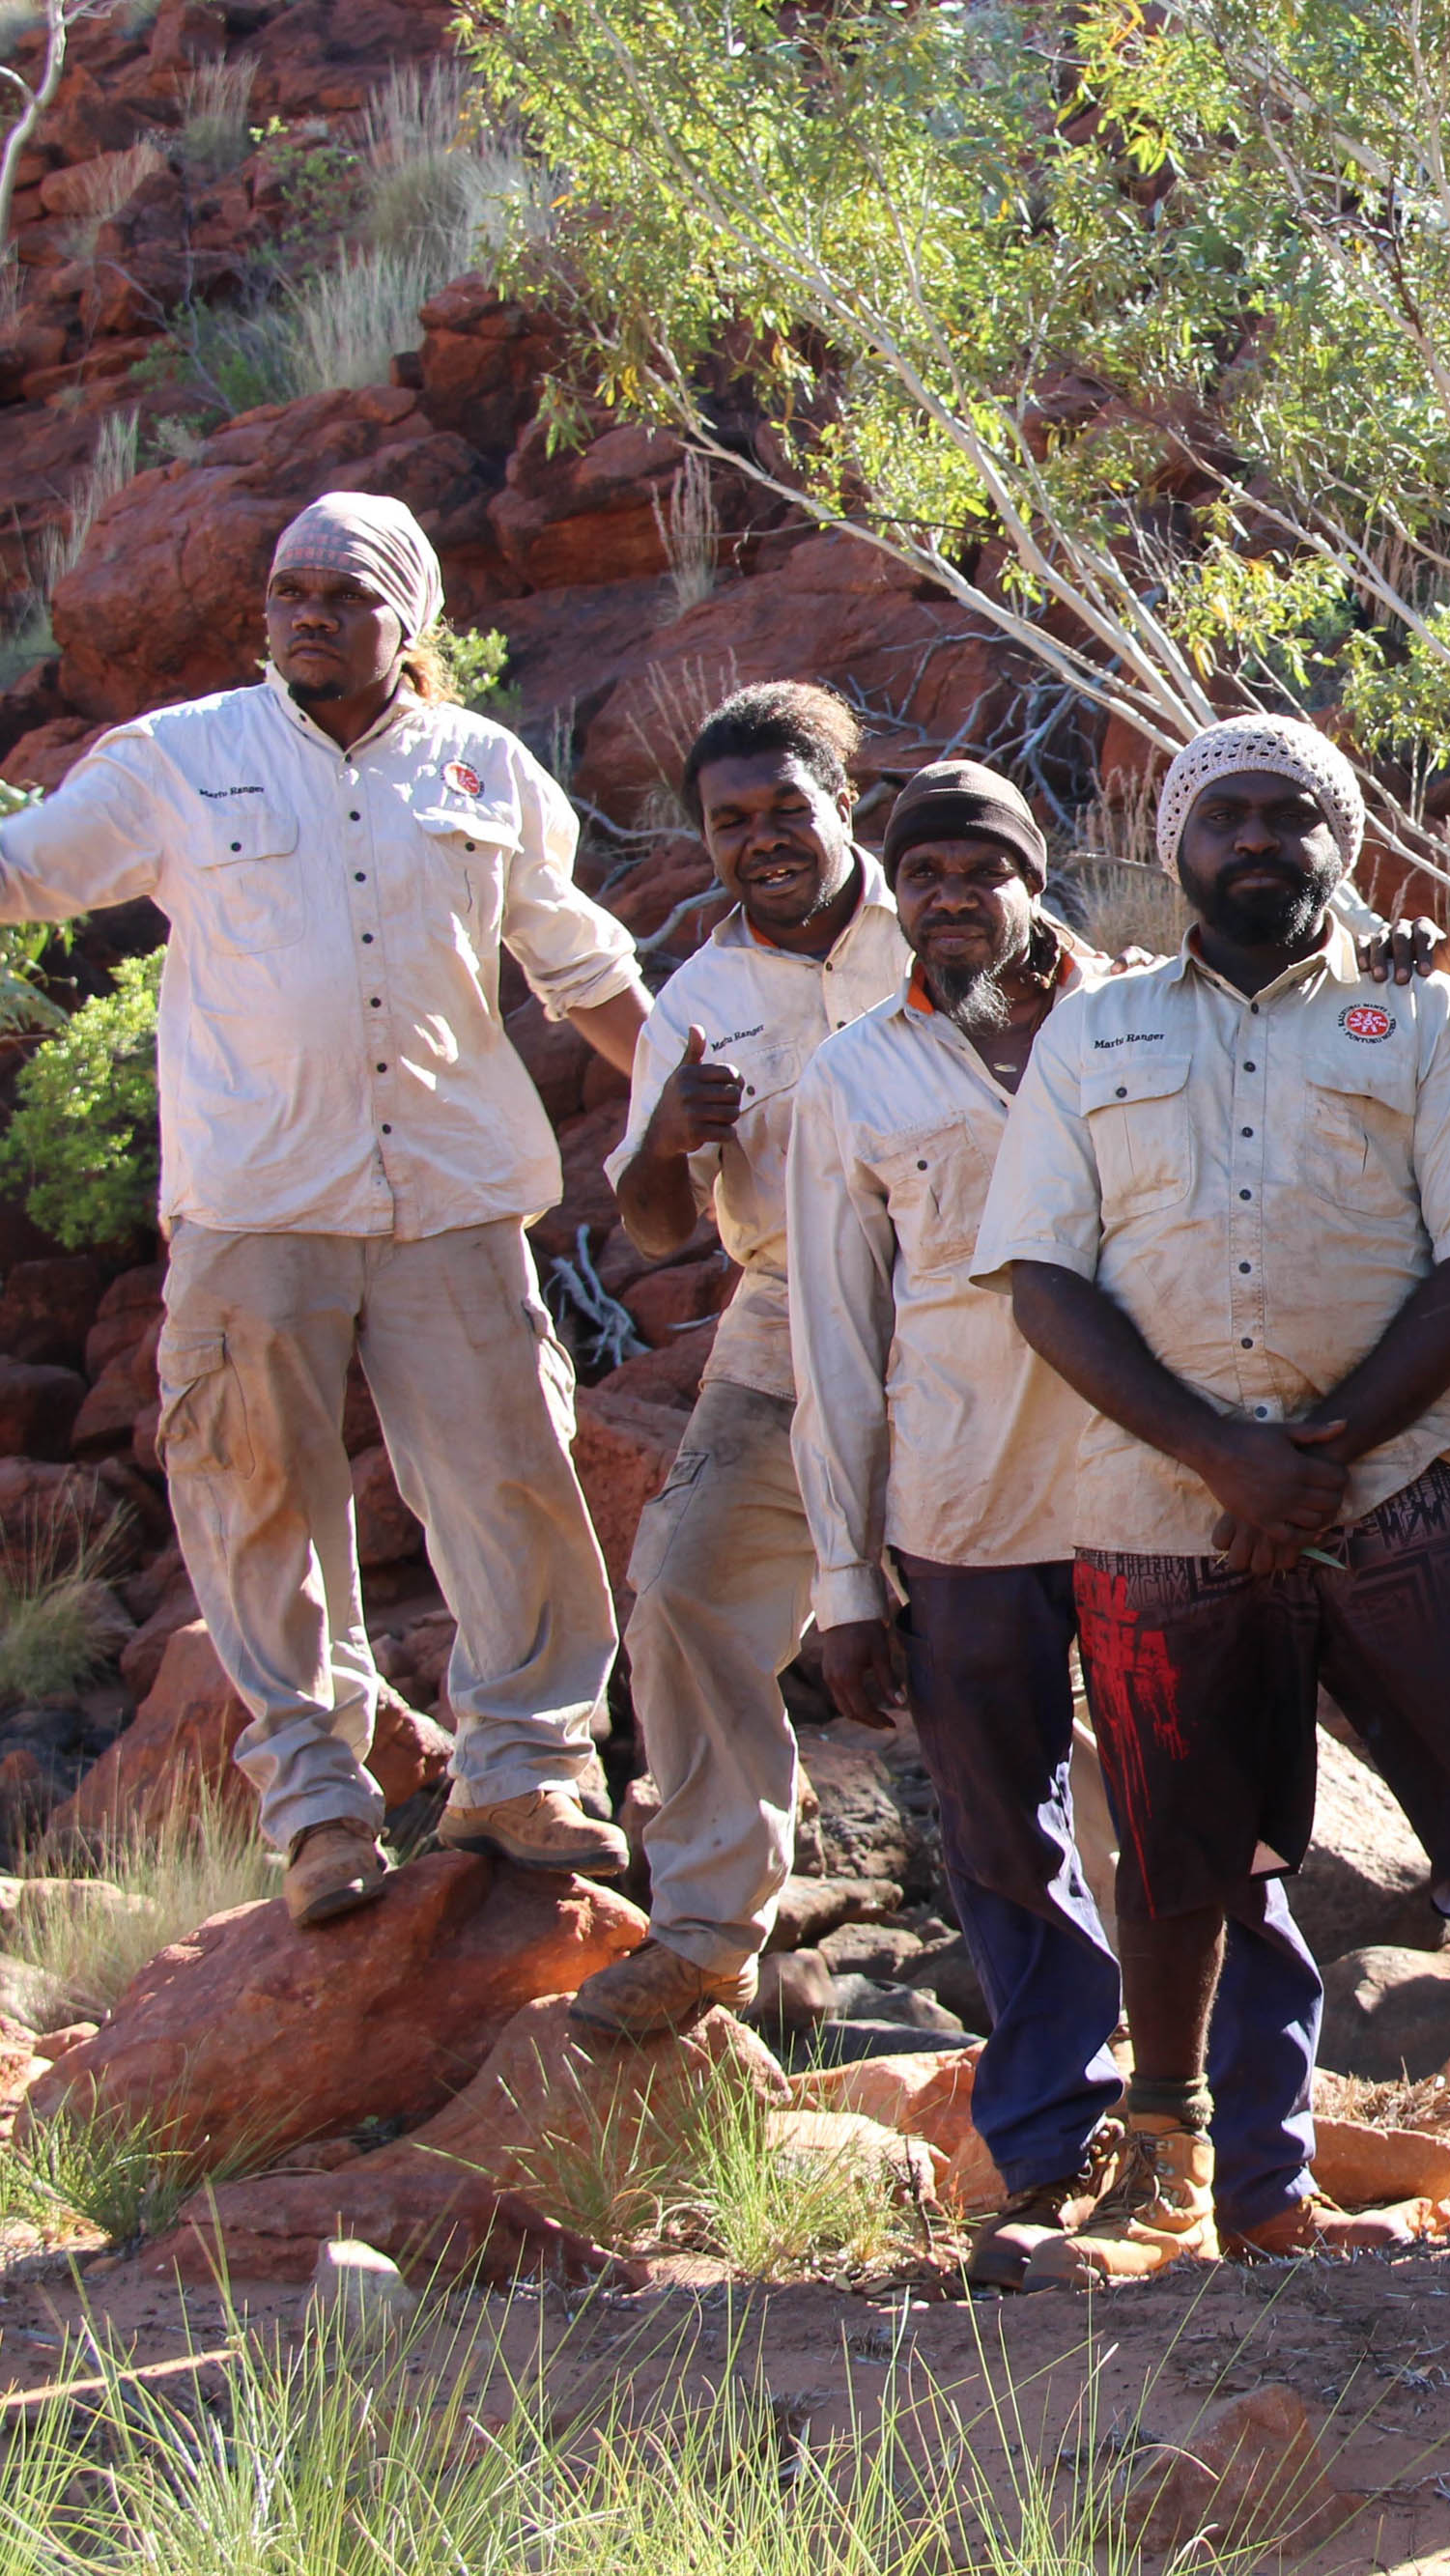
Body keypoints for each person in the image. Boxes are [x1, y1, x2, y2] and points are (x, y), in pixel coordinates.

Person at [972, 710, 1450, 2276]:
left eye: (1293, 813)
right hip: (1157, 1506)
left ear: (1342, 838)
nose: (1259, 838)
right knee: (1177, 1843)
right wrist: (1224, 1454)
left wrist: (1308, 1455)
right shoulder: (1092, 1035)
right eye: (1227, 814)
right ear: (1177, 845)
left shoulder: (1431, 1025)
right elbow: (1045, 1280)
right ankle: (1163, 2178)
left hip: (1399, 1491)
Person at [0, 494, 648, 1927]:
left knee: (512, 1481)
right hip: (257, 1204)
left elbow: (579, 963)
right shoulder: (181, 760)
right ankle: (322, 1807)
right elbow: (3, 870)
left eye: (345, 592)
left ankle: (527, 1768)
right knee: (261, 1500)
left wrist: (712, 1108)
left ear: (413, 618)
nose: (307, 611)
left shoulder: (487, 770)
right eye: (288, 588)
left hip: (448, 1197)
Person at [786, 757, 1328, 2250]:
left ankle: (1261, 2164)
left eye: (983, 870)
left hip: (1165, 1487)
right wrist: (846, 1580)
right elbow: (837, 1338)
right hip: (964, 1509)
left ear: (1039, 881)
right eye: (922, 877)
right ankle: (1049, 2151)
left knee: (1223, 1827)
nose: (952, 899)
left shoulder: (1149, 1015)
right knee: (1003, 1838)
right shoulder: (852, 1077)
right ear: (893, 900)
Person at [571, 687, 911, 2036]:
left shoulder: (952, 902)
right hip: (778, 1315)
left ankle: (1135, 1951)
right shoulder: (699, 1000)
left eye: (787, 806)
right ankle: (708, 1927)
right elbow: (653, 1235)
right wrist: (662, 1142)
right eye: (729, 823)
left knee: (1026, 1627)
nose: (761, 839)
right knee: (684, 1578)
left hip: (972, 1304)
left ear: (846, 797)